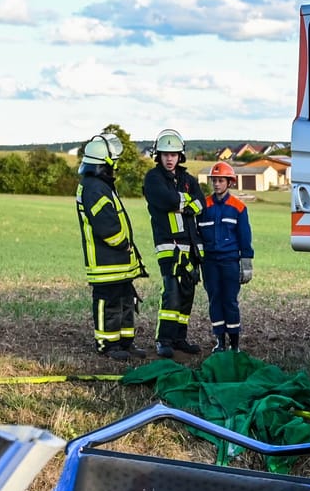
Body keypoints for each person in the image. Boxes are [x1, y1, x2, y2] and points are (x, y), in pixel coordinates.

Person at [74, 132, 146, 358]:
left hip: (117, 262)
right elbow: (106, 226)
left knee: (125, 300)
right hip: (107, 260)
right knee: (109, 302)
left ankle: (125, 343)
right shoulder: (94, 188)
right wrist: (123, 243)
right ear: (105, 163)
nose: (115, 165)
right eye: (113, 161)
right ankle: (107, 345)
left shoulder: (98, 185)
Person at [142, 128, 205, 358]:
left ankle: (180, 338)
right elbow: (165, 199)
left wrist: (186, 203)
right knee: (172, 291)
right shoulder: (153, 178)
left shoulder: (188, 179)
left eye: (174, 154)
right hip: (169, 245)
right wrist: (186, 203)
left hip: (191, 245)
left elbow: (201, 203)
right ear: (158, 156)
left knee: (187, 292)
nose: (170, 159)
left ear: (181, 156)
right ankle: (164, 340)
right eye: (165, 155)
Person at [197, 161, 255, 352]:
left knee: (230, 301)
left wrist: (246, 263)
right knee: (215, 300)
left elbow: (245, 237)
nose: (216, 184)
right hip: (210, 263)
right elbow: (196, 234)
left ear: (229, 182)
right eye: (214, 180)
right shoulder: (203, 206)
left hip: (230, 262)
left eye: (221, 180)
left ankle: (235, 344)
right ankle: (220, 342)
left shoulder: (238, 208)